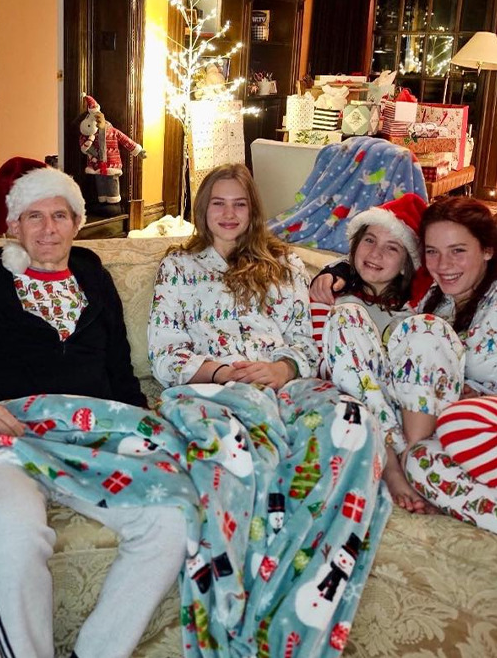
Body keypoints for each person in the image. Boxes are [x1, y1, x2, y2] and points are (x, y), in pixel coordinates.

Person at [0, 166, 186, 658]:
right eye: (33, 216)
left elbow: (119, 368)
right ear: (12, 226)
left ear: (77, 222)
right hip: (4, 439)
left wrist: (144, 421)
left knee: (171, 521)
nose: (47, 229)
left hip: (91, 436)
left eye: (59, 215)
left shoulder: (93, 277)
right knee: (16, 531)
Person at [148, 163, 390, 656]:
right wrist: (222, 371)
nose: (229, 213)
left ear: (254, 210)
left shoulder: (286, 266)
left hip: (286, 388)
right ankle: (233, 620)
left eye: (240, 203)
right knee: (235, 460)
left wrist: (282, 369)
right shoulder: (178, 266)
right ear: (203, 209)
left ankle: (301, 593)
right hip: (214, 392)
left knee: (354, 423)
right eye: (218, 202)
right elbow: (165, 353)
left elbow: (304, 344)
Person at [311, 194, 454, 513]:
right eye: (369, 240)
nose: (376, 253)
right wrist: (334, 275)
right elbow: (318, 358)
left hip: (410, 406)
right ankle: (392, 458)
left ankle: (409, 456)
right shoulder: (336, 297)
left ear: (407, 264)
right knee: (346, 314)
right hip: (358, 397)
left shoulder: (421, 306)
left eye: (392, 247)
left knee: (425, 329)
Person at [403, 197, 497, 533]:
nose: (443, 264)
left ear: (487, 249)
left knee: (459, 421)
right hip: (454, 431)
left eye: (457, 250)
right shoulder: (434, 301)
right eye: (432, 251)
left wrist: (476, 404)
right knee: (419, 462)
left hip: (479, 425)